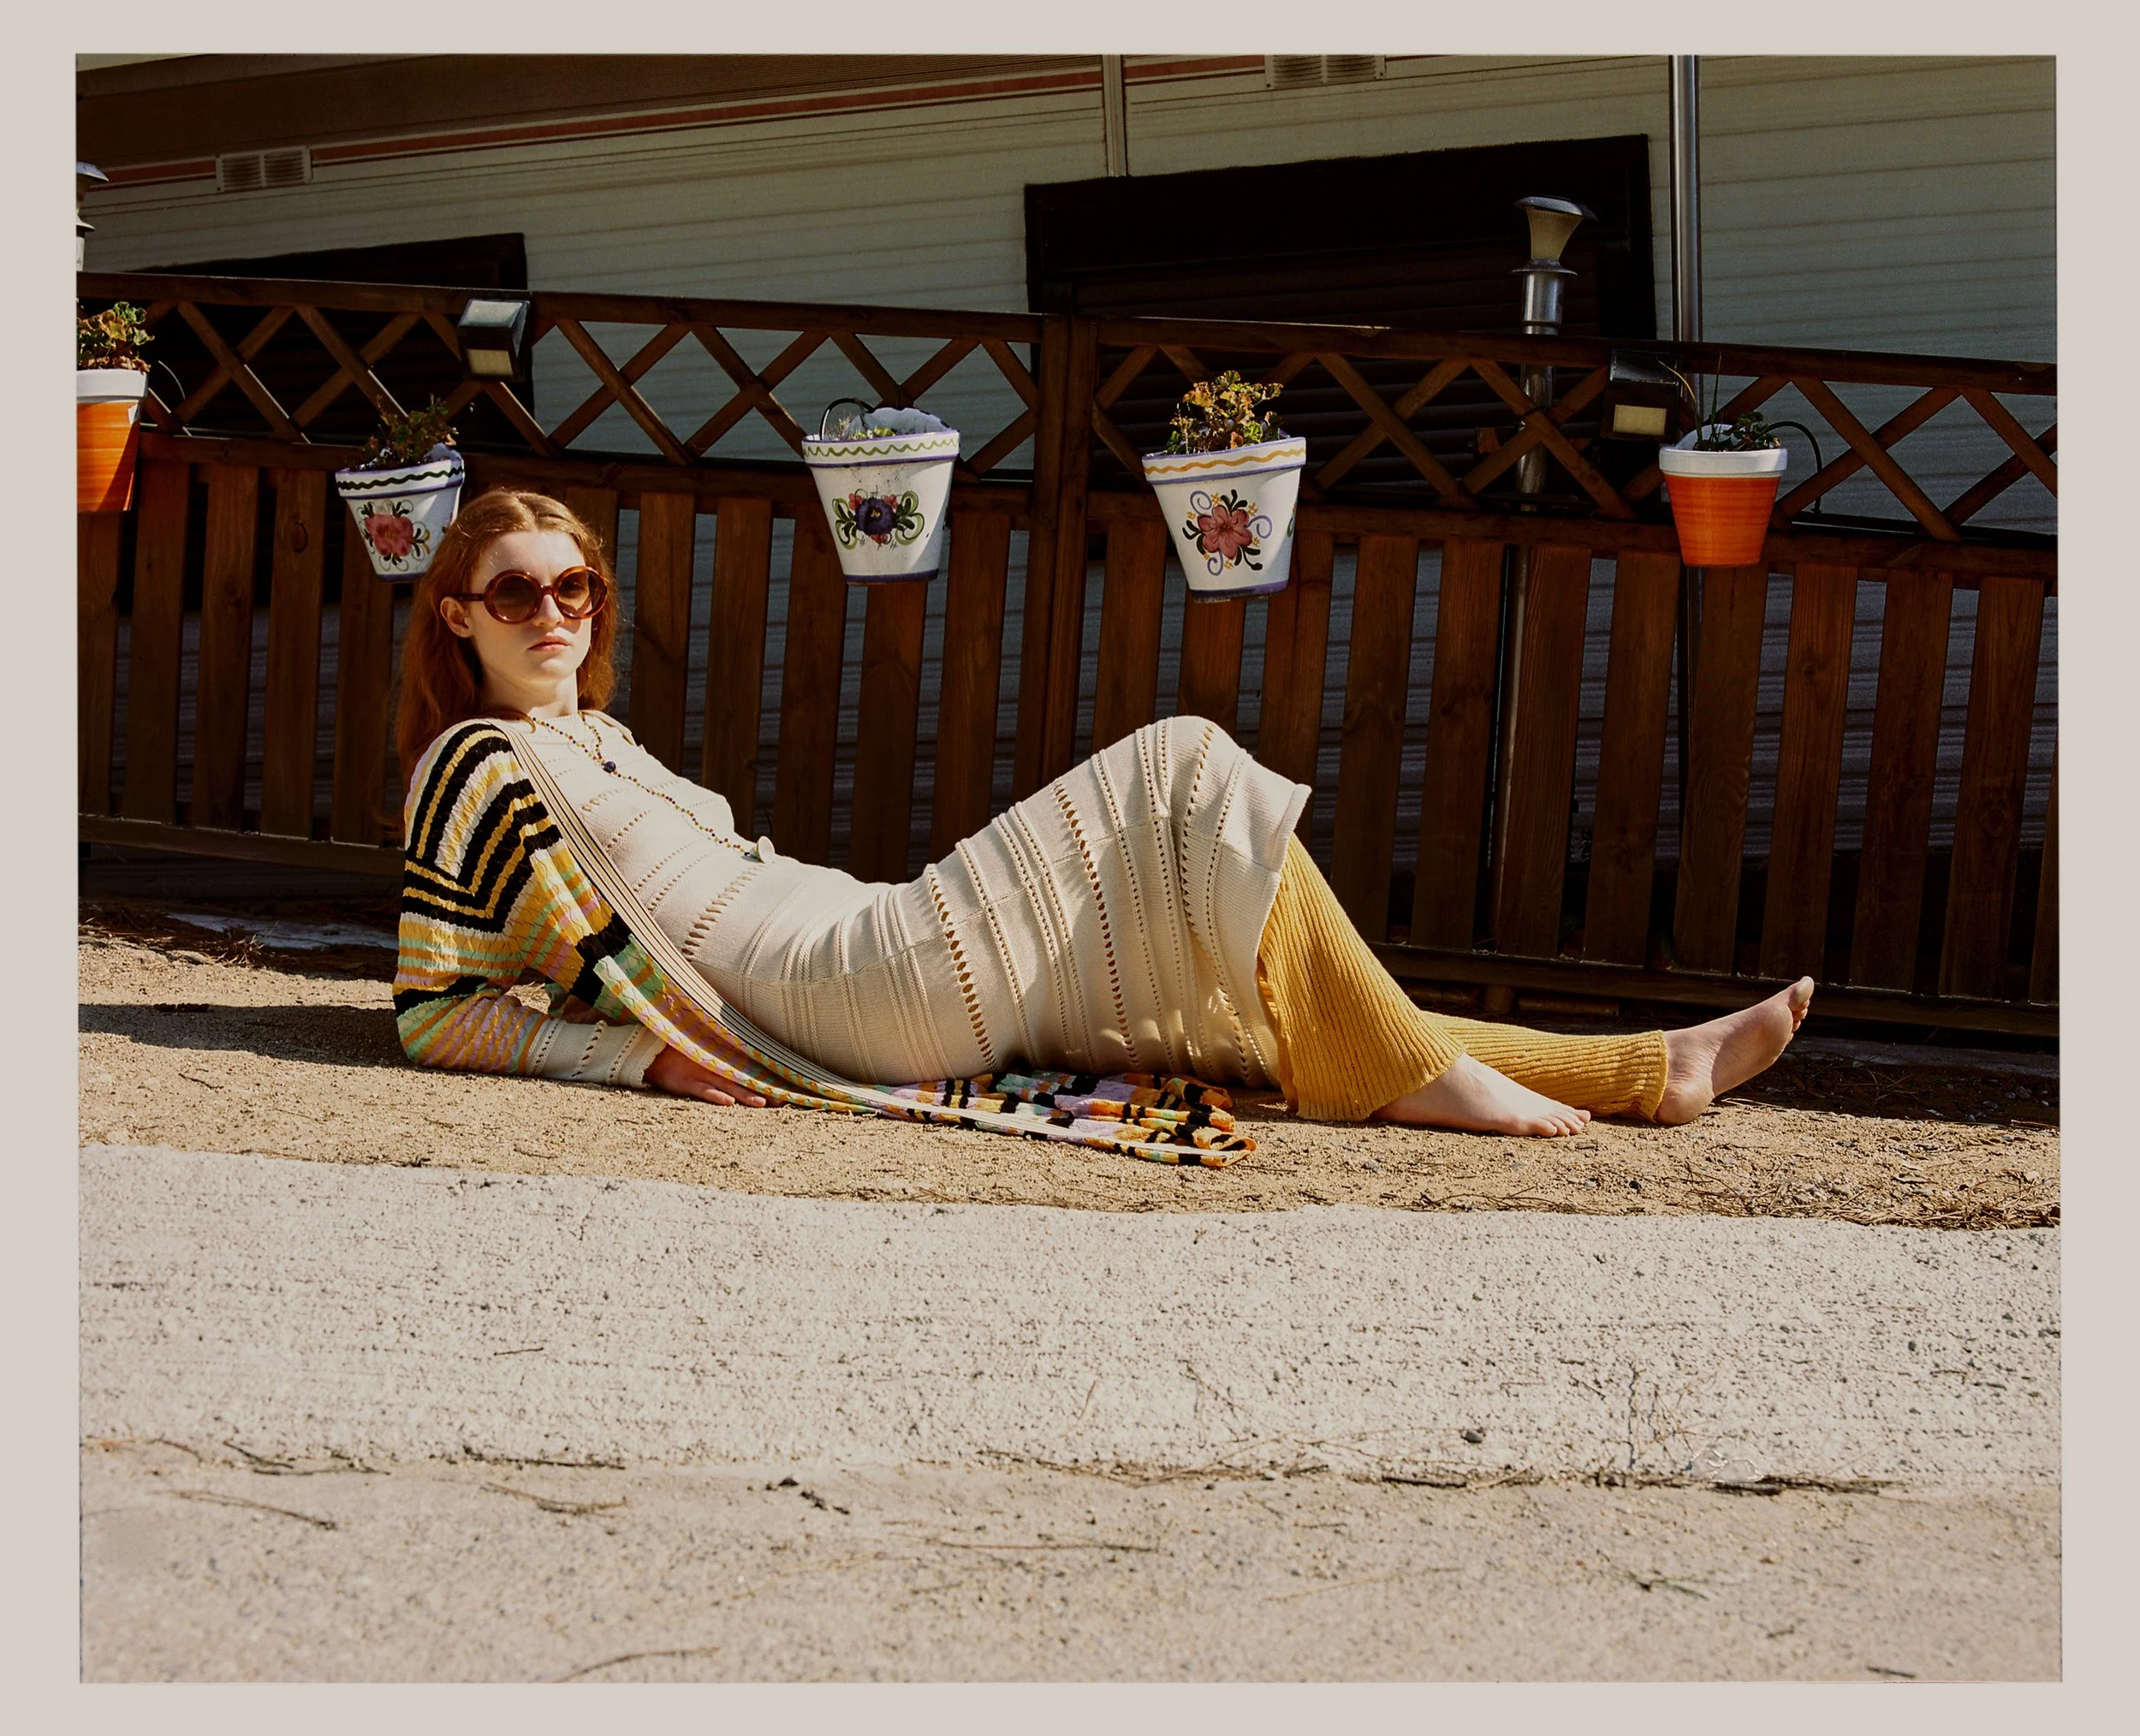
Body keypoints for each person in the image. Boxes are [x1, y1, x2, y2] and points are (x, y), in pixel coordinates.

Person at [393, 488, 1810, 1156]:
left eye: (573, 588)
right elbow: (434, 1008)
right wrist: (642, 1063)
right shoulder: (470, 767)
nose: (552, 615)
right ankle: (1444, 1086)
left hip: (865, 944)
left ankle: (1645, 1069)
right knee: (1182, 768)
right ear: (456, 616)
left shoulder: (596, 736)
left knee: (1246, 986)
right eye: (515, 593)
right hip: (842, 991)